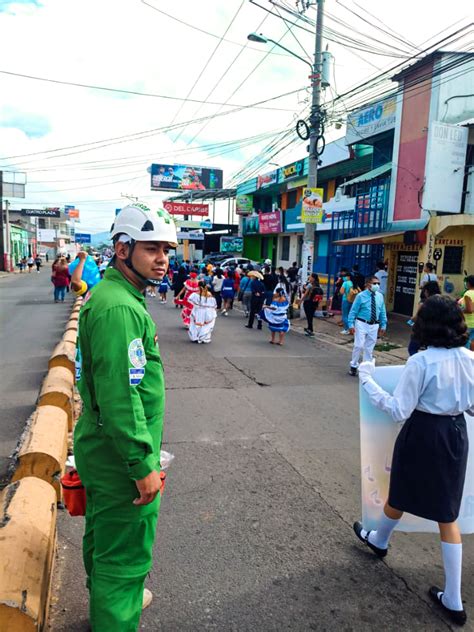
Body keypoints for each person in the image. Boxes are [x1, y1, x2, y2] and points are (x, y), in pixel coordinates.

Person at [74, 203, 178, 631]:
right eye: (152, 248)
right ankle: (117, 608)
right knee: (126, 551)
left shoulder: (119, 297)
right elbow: (121, 396)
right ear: (122, 249)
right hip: (121, 457)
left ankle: (115, 597)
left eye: (167, 250)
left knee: (104, 534)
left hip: (103, 448)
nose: (162, 259)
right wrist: (142, 464)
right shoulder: (121, 309)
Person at [354, 296, 474, 626]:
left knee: (402, 490)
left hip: (423, 431)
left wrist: (367, 380)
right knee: (446, 512)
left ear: (426, 324)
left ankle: (379, 539)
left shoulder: (420, 362)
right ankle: (452, 597)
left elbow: (398, 410)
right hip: (455, 433)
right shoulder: (470, 358)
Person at [347, 276, 387, 376]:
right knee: (359, 345)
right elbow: (353, 311)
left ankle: (365, 367)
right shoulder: (361, 296)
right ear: (368, 284)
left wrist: (383, 325)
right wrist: (351, 324)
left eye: (378, 283)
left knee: (369, 348)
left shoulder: (380, 296)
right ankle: (354, 365)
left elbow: (382, 311)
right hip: (361, 323)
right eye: (374, 283)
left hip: (374, 324)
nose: (377, 285)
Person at [408, 281, 441, 355]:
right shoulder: (443, 300)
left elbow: (417, 316)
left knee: (412, 349)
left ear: (426, 291)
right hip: (438, 330)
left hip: (422, 329)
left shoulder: (425, 302)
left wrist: (411, 319)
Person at [459, 274, 474, 351]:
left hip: (468, 323)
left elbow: (470, 310)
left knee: (465, 345)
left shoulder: (468, 293)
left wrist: (460, 310)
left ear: (468, 283)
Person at [339, 268, 355, 335]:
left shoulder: (345, 283)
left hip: (345, 300)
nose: (343, 277)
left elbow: (341, 292)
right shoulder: (351, 282)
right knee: (350, 315)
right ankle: (352, 328)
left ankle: (347, 329)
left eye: (344, 276)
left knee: (345, 315)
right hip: (351, 300)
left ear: (348, 277)